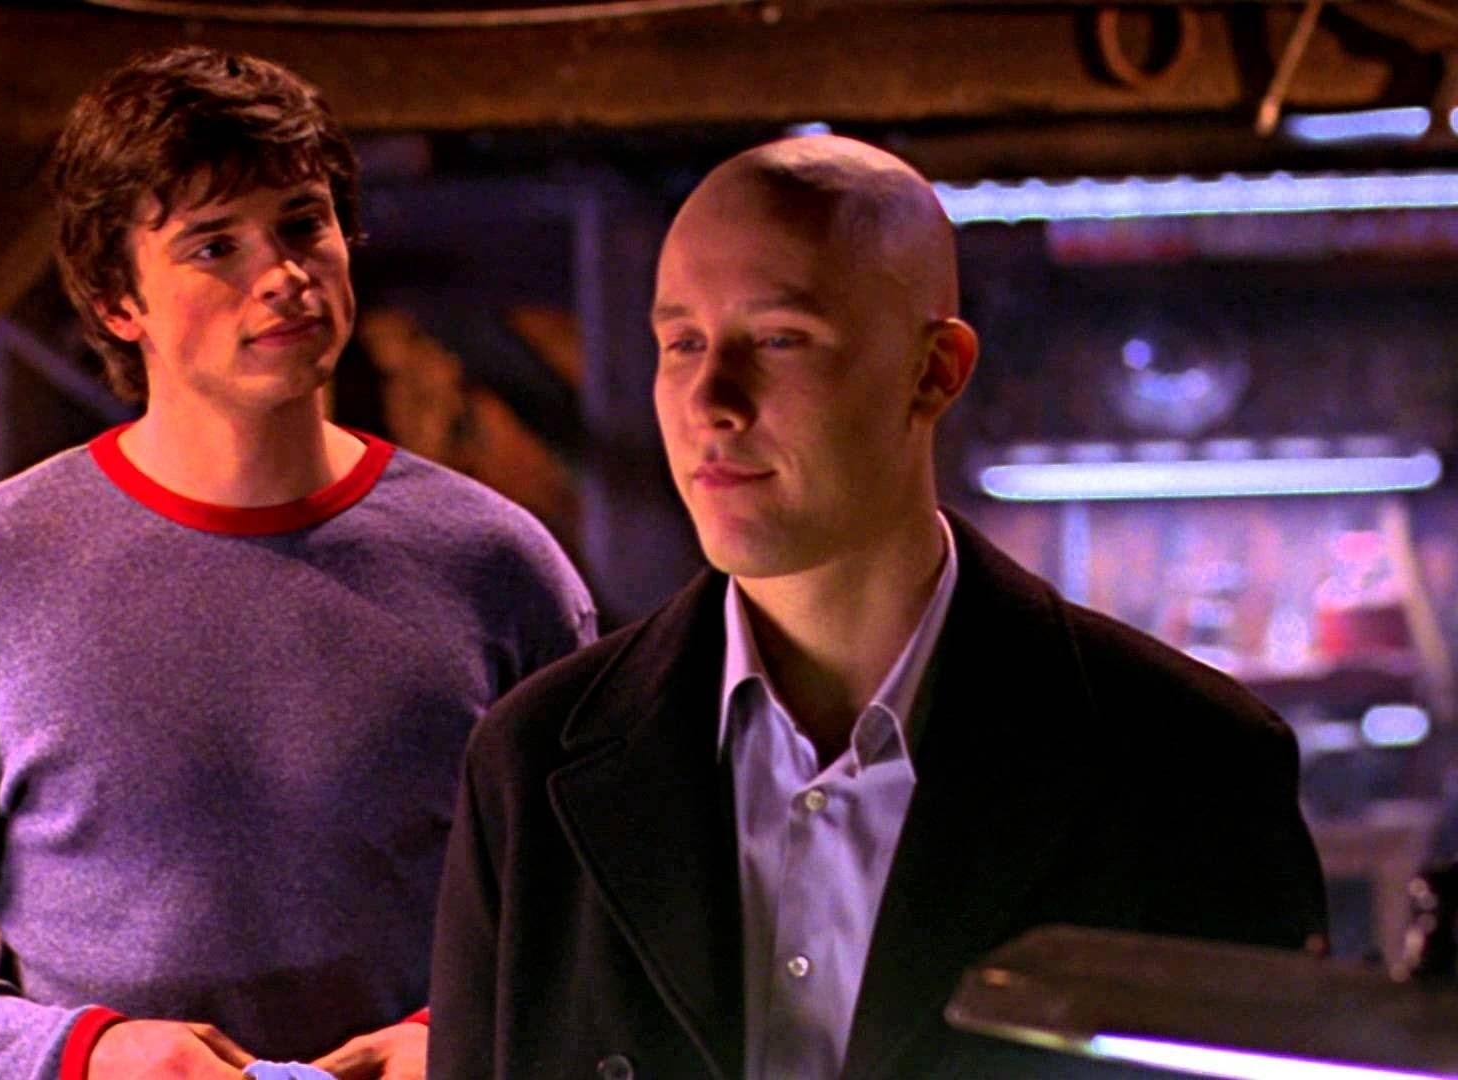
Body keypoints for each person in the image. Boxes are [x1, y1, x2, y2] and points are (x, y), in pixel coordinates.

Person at [427, 135, 1327, 1079]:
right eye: (682, 343)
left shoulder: (1188, 765)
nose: (711, 401)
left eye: (780, 339)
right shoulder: (532, 762)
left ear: (934, 370)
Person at [0, 45, 595, 1080]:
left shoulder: (498, 566)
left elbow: (600, 906)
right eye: (215, 245)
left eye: (303, 224)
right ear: (119, 300)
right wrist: (86, 1056)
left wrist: (458, 1040)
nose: (284, 275)